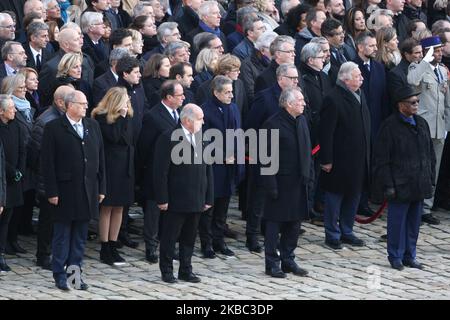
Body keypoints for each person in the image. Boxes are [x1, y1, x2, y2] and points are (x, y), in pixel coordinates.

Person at [41, 90, 106, 291]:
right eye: (82, 103)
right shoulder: (54, 128)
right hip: (65, 190)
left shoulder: (92, 126)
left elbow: (100, 158)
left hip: (88, 190)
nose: (86, 106)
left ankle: (74, 275)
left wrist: (101, 187)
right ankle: (59, 274)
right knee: (62, 236)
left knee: (79, 237)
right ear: (69, 105)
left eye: (86, 103)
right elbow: (47, 163)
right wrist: (51, 191)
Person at [372, 86, 435, 271]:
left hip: (418, 183)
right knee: (397, 224)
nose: (416, 105)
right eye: (412, 102)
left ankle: (410, 255)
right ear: (401, 105)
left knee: (413, 224)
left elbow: (430, 152)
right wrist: (388, 185)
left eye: (417, 102)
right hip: (400, 184)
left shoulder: (421, 123)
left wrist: (430, 176)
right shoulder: (389, 127)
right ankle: (395, 256)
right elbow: (382, 159)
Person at [154, 103, 213, 283]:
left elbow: (208, 169)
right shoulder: (169, 138)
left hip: (197, 196)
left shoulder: (202, 138)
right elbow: (160, 171)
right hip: (176, 198)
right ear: (187, 121)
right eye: (200, 119)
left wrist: (208, 196)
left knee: (189, 237)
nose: (203, 122)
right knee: (170, 237)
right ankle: (166, 270)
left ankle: (186, 269)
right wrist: (162, 198)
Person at [319, 62, 371, 250]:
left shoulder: (360, 94)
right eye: (357, 76)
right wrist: (326, 160)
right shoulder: (333, 99)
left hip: (358, 157)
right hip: (339, 159)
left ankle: (347, 231)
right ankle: (332, 234)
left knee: (353, 195)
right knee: (335, 197)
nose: (361, 78)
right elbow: (326, 133)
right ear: (345, 78)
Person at [262, 87, 310, 278]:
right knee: (275, 226)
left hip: (299, 182)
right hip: (279, 183)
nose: (304, 103)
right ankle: (272, 262)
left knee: (294, 224)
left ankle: (288, 259)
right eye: (300, 100)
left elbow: (307, 149)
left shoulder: (302, 121)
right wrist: (270, 185)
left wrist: (309, 175)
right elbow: (265, 158)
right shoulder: (272, 124)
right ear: (288, 104)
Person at [27, 85, 75, 270]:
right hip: (48, 179)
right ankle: (43, 255)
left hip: (64, 177)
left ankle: (57, 252)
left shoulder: (65, 119)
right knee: (48, 220)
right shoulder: (46, 121)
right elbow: (35, 153)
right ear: (60, 102)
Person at [137, 80, 185, 264]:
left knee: (170, 214)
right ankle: (151, 246)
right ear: (169, 97)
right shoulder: (153, 116)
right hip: (155, 171)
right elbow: (144, 146)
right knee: (153, 212)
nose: (183, 97)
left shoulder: (179, 114)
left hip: (176, 172)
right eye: (179, 95)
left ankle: (168, 246)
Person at [407, 35, 450, 226]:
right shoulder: (418, 68)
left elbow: (447, 102)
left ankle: (427, 206)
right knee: (420, 167)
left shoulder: (443, 70)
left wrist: (447, 125)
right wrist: (425, 60)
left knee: (435, 169)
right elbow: (411, 80)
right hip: (423, 126)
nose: (439, 54)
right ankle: (417, 206)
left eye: (440, 50)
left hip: (440, 128)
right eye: (436, 51)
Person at [198, 75, 243, 258]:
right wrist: (221, 156)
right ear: (216, 93)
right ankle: (206, 244)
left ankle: (219, 241)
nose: (231, 96)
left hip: (229, 167)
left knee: (223, 208)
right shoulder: (205, 111)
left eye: (232, 92)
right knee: (209, 208)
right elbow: (203, 140)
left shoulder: (233, 108)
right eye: (227, 92)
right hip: (212, 167)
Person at [92, 87, 134, 266]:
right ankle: (105, 246)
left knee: (120, 208)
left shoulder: (127, 117)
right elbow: (115, 137)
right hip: (110, 167)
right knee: (107, 207)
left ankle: (114, 243)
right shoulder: (102, 117)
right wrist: (121, 118)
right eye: (125, 100)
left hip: (125, 166)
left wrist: (124, 118)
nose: (127, 103)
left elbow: (129, 139)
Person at [0, 94, 25, 272]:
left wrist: (19, 170)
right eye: (11, 109)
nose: (15, 111)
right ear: (1, 111)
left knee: (7, 220)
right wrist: (11, 171)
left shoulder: (16, 125)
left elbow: (23, 147)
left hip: (14, 179)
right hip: (4, 177)